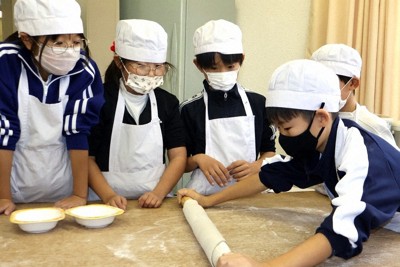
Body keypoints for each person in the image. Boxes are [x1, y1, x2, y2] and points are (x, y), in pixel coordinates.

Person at [178, 59, 400, 266]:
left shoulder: (361, 154)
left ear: (321, 117)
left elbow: (343, 230)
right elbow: (273, 174)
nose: (283, 137)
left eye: (287, 128)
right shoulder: (323, 145)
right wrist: (209, 201)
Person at [0, 0, 104, 215]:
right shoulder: (5, 63)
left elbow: (78, 131)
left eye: (76, 42)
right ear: (27, 40)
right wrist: (3, 196)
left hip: (62, 182)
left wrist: (79, 194)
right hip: (12, 180)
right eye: (58, 43)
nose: (69, 52)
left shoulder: (84, 70)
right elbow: (4, 131)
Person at [88, 19, 186, 209]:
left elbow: (179, 156)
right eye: (141, 66)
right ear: (119, 62)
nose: (151, 74)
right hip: (103, 200)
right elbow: (87, 158)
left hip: (157, 197)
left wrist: (158, 193)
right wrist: (108, 196)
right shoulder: (99, 100)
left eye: (158, 67)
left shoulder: (168, 102)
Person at [179, 19, 275, 195]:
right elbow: (180, 163)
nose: (223, 74)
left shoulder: (258, 103)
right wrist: (200, 159)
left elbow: (269, 152)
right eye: (214, 68)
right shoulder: (189, 109)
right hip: (203, 192)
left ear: (242, 60)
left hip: (250, 191)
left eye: (230, 66)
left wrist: (255, 166)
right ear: (198, 65)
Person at [311, 43, 397, 147]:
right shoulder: (309, 118)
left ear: (353, 83)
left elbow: (393, 162)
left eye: (327, 83)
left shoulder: (373, 128)